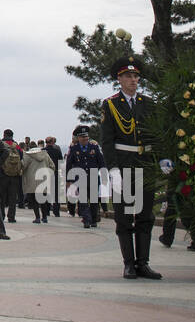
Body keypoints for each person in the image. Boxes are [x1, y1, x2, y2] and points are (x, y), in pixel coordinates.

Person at [98, 56, 163, 280]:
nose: (133, 80)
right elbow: (107, 140)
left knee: (145, 216)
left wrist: (161, 158)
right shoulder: (111, 104)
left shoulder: (148, 103)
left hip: (144, 164)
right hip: (123, 164)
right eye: (128, 76)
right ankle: (129, 263)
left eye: (136, 76)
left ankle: (143, 262)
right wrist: (113, 168)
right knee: (124, 217)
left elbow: (156, 134)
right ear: (120, 79)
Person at [65, 124, 105, 229]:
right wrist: (68, 180)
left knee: (94, 201)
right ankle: (87, 220)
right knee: (83, 201)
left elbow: (101, 162)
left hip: (93, 177)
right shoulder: (74, 149)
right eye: (83, 137)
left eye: (86, 136)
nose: (85, 139)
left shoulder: (94, 147)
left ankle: (93, 219)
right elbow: (69, 165)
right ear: (78, 138)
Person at [20, 143, 55, 224]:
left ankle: (37, 218)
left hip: (32, 180)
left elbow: (23, 166)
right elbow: (52, 166)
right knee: (43, 200)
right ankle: (45, 217)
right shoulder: (45, 155)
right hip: (43, 180)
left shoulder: (27, 155)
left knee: (34, 200)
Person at [0, 130, 22, 223]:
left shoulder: (0, 144)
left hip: (2, 174)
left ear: (4, 135)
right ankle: (11, 217)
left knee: (2, 196)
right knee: (13, 197)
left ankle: (1, 215)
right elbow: (22, 157)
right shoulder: (16, 145)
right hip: (15, 175)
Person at [43, 136, 64, 216]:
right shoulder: (57, 151)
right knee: (56, 193)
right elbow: (61, 163)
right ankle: (56, 211)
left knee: (46, 193)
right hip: (54, 173)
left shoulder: (42, 151)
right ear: (53, 142)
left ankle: (47, 211)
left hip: (44, 173)